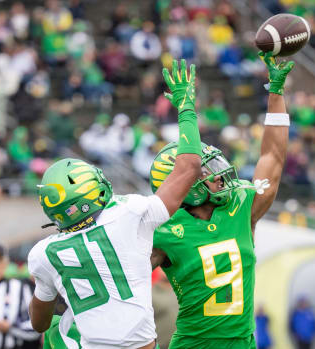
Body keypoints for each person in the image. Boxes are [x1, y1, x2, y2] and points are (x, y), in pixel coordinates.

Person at [27, 59, 202, 348]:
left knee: (58, 330)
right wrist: (185, 108)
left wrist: (49, 288)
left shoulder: (42, 253)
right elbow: (189, 167)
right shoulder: (128, 213)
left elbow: (39, 323)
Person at [150, 52, 294, 348]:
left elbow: (273, 157)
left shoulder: (241, 205)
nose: (219, 176)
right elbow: (121, 280)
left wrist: (276, 93)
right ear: (186, 185)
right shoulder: (162, 230)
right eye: (208, 171)